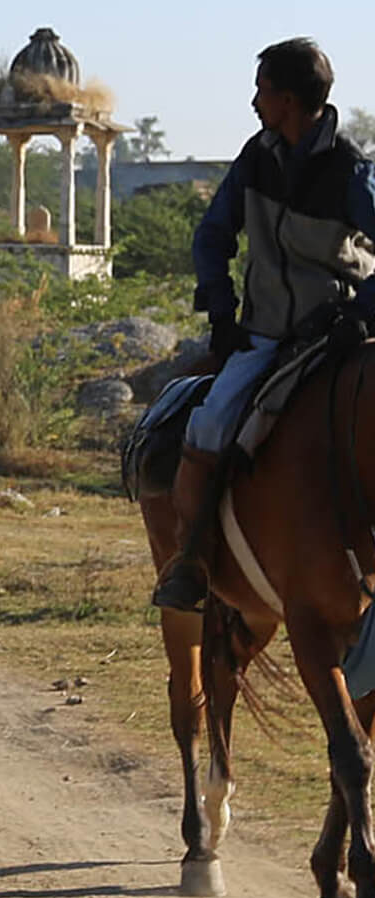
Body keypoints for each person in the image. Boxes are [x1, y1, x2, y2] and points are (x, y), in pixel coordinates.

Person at [152, 37, 375, 611]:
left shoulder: (353, 172)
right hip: (267, 337)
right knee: (208, 425)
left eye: (262, 91)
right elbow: (211, 237)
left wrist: (363, 309)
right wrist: (222, 311)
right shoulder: (256, 158)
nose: (254, 101)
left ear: (290, 100)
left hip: (338, 336)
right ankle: (193, 559)